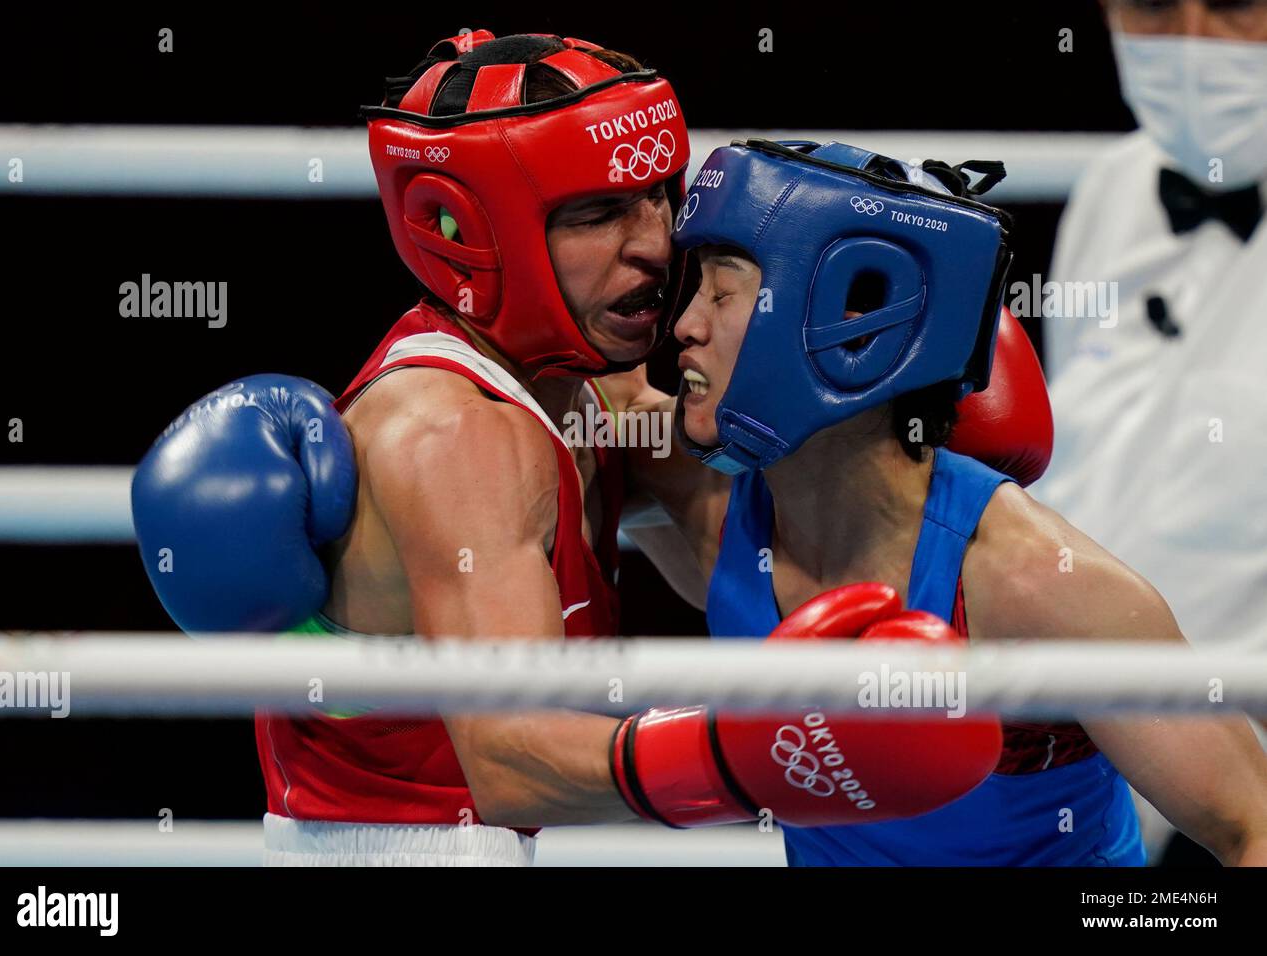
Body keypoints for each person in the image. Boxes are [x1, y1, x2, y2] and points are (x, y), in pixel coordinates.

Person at [133, 32, 998, 866]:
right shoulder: (455, 433)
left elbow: (746, 571)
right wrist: (736, 759)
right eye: (598, 213)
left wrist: (884, 400)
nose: (656, 245)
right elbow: (511, 765)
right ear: (470, 228)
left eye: (659, 194)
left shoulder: (591, 397)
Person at [608, 138, 1267, 865]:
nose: (685, 327)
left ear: (847, 323)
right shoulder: (711, 505)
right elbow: (587, 388)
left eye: (723, 293)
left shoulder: (1037, 584)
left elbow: (1252, 828)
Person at [1035, 0, 1267, 861]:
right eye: (1156, 6)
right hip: (1083, 766)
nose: (1194, 46)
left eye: (1239, 5)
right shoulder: (1118, 185)